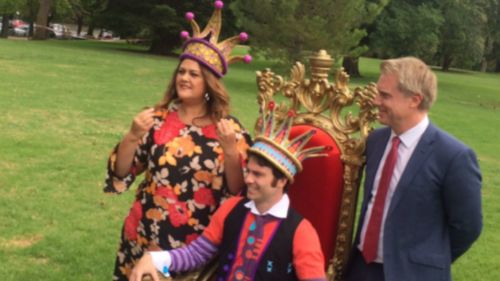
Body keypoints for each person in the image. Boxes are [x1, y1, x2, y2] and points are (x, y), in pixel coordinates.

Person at [103, 2, 253, 280]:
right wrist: (133, 136)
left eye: (193, 74)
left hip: (195, 244)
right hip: (144, 234)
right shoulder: (157, 120)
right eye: (181, 72)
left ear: (209, 83)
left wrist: (231, 151)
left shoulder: (229, 129)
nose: (184, 77)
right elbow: (121, 173)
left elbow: (239, 191)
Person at [128, 102, 328, 281]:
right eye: (248, 171)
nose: (247, 179)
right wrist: (153, 259)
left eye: (258, 174)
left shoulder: (301, 232)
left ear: (282, 180)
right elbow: (196, 255)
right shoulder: (232, 208)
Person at [344, 57, 482, 281]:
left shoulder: (453, 156)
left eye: (385, 95)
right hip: (361, 269)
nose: (375, 100)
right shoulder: (375, 141)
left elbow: (468, 227)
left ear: (414, 100)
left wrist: (424, 260)